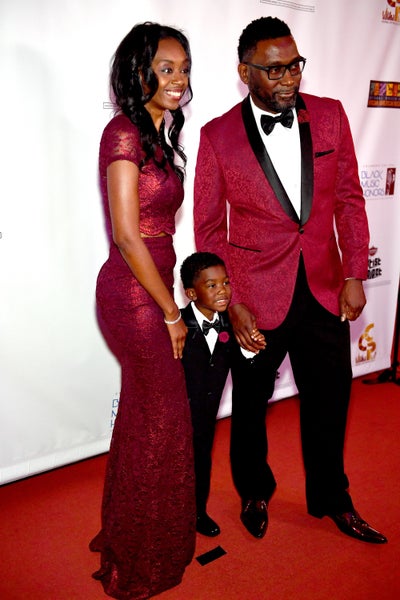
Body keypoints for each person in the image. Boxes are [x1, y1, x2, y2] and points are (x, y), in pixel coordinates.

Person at [194, 16, 387, 544]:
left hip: (324, 287)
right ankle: (254, 491)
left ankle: (333, 497)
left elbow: (349, 199)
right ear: (245, 72)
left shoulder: (330, 116)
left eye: (295, 65)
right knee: (250, 404)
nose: (288, 78)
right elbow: (208, 229)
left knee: (331, 400)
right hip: (254, 296)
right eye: (274, 69)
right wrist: (232, 301)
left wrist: (354, 271)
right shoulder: (217, 136)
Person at [90, 22, 196, 599]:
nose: (178, 79)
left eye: (184, 68)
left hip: (152, 289)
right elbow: (129, 237)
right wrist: (173, 314)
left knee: (144, 413)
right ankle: (141, 551)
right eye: (165, 68)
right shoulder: (123, 133)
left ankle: (129, 528)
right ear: (139, 73)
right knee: (162, 416)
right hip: (134, 295)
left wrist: (171, 304)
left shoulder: (159, 132)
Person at [180, 252, 264, 537]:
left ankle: (197, 513)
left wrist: (250, 349)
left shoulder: (230, 323)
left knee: (202, 460)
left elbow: (243, 366)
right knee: (175, 466)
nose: (223, 291)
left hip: (206, 416)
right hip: (178, 415)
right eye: (212, 285)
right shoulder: (178, 325)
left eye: (226, 283)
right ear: (192, 293)